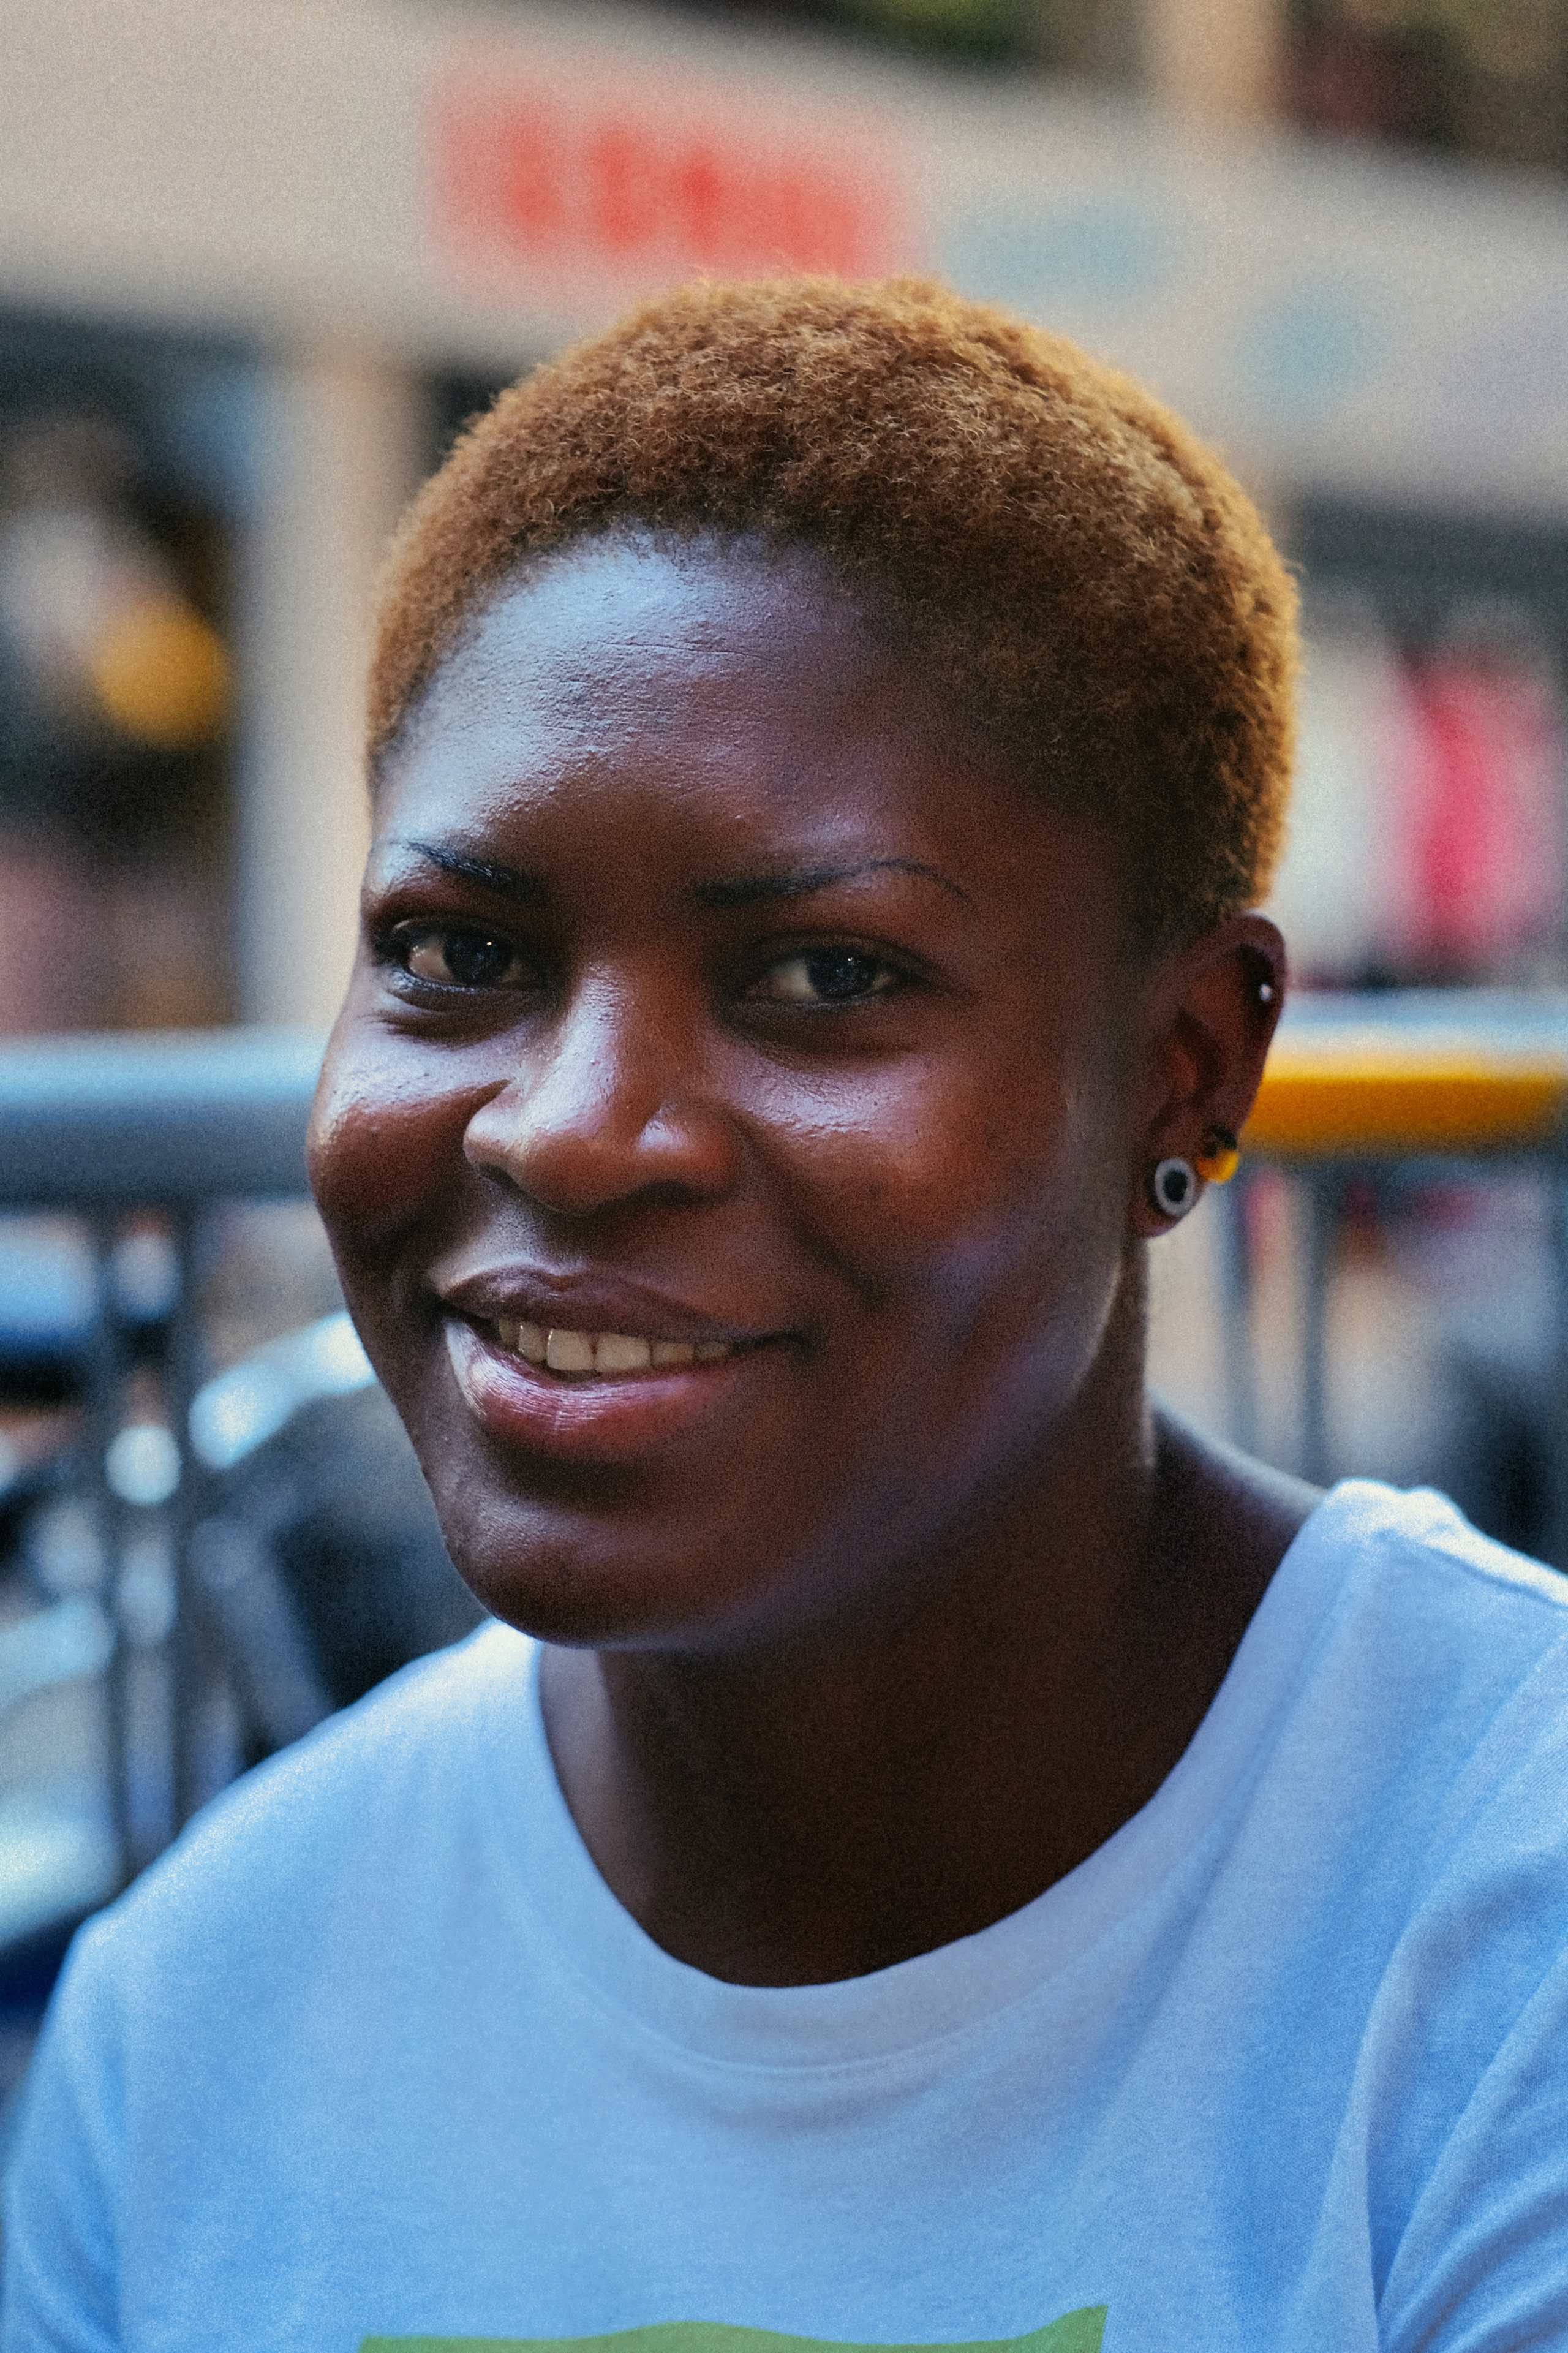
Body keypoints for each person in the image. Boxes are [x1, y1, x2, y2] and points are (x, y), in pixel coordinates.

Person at [7, 277, 1568, 2353]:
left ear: (1187, 1065)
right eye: (458, 951)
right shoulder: (192, 2021)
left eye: (827, 976)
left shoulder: (1499, 1914)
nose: (573, 1130)